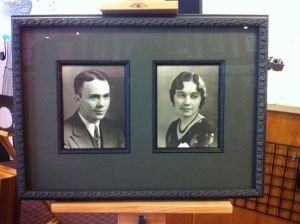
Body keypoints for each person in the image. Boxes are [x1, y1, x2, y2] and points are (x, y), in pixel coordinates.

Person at [64, 69, 124, 149]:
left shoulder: (115, 129)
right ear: (78, 99)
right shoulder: (64, 134)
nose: (102, 104)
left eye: (106, 96)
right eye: (94, 97)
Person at [165, 71, 216, 148]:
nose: (187, 102)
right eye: (181, 95)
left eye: (194, 96)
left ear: (201, 98)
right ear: (173, 96)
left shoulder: (207, 128)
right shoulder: (172, 127)